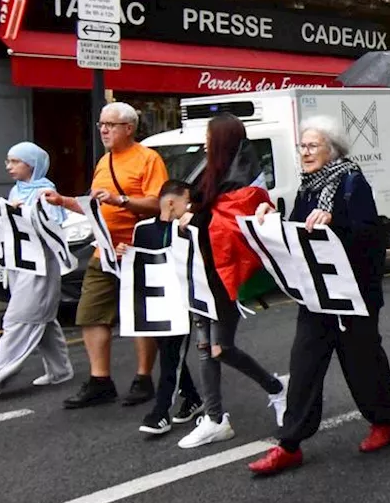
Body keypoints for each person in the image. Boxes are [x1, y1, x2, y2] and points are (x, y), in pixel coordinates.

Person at [247, 116, 390, 475]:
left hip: (354, 294)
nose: (305, 152)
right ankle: (290, 444)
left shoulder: (352, 182)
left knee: (362, 362)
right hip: (317, 293)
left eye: (312, 146)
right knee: (303, 364)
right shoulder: (308, 187)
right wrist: (274, 218)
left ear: (332, 150)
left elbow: (367, 236)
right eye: (302, 146)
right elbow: (300, 231)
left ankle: (385, 422)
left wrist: (335, 222)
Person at [43, 102, 167, 409]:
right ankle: (100, 381)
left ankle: (143, 378)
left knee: (138, 317)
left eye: (110, 124)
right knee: (91, 314)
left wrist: (121, 199)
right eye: (101, 124)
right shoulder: (104, 162)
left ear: (128, 128)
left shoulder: (148, 159)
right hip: (104, 250)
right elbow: (94, 206)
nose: (103, 130)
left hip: (137, 250)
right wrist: (62, 200)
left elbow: (159, 203)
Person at [176, 114, 286, 448]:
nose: (205, 141)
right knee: (204, 348)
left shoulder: (244, 182)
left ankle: (277, 388)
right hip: (202, 271)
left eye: (210, 136)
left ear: (221, 140)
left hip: (223, 276)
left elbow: (234, 228)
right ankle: (214, 417)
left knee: (220, 347)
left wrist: (193, 218)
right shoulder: (211, 174)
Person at [0, 143, 74, 395]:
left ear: (31, 164)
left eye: (15, 161)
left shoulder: (46, 191)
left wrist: (24, 211)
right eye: (8, 161)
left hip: (41, 267)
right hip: (21, 264)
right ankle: (60, 370)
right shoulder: (17, 189)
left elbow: (53, 226)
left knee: (18, 318)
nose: (8, 166)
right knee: (43, 319)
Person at [128, 180, 204, 434]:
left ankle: (160, 412)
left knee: (171, 356)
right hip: (154, 303)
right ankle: (192, 397)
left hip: (180, 303)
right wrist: (124, 252)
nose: (189, 206)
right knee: (169, 353)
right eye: (187, 200)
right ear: (172, 202)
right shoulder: (143, 229)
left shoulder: (189, 228)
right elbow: (137, 262)